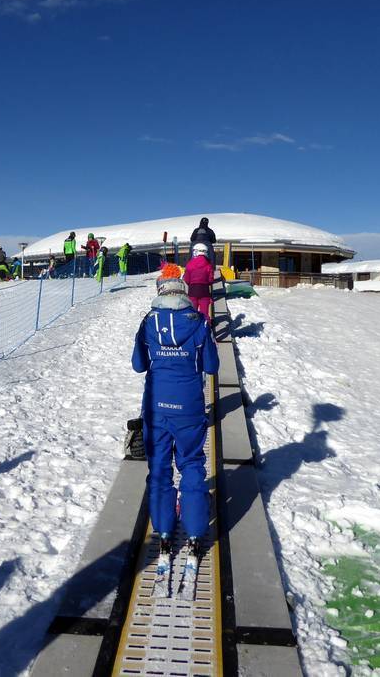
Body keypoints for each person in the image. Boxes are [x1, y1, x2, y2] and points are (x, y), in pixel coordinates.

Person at [131, 268, 219, 569]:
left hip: (156, 406)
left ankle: (165, 531)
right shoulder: (199, 322)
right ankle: (195, 531)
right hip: (190, 407)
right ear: (184, 294)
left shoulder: (148, 322)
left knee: (159, 469)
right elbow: (211, 366)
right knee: (192, 464)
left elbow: (138, 365)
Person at [184, 243, 214, 321]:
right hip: (204, 290)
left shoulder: (189, 264)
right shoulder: (208, 265)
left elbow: (186, 279)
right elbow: (211, 280)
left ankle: (193, 327)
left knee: (193, 313)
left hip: (192, 290)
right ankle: (206, 326)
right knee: (204, 313)